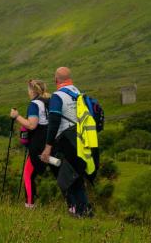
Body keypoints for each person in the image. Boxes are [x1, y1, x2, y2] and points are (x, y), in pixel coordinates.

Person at [39, 67, 92, 217]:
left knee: (66, 180)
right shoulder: (77, 92)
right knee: (77, 177)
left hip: (67, 140)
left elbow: (54, 121)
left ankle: (77, 211)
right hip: (81, 138)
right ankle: (85, 211)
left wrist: (48, 146)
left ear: (56, 80)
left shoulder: (58, 96)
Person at [10, 79, 50, 209]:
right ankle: (73, 204)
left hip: (37, 144)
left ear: (32, 91)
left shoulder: (34, 104)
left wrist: (17, 117)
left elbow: (32, 125)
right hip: (49, 141)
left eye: (28, 90)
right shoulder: (48, 102)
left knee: (28, 174)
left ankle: (29, 205)